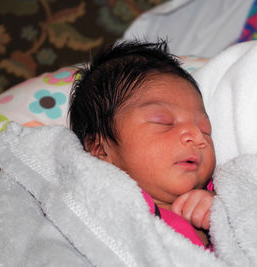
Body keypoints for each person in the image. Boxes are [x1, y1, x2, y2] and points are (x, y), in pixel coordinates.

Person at [68, 40, 216, 247]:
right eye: (163, 122)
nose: (197, 136)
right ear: (100, 149)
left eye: (205, 129)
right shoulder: (92, 211)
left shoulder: (220, 197)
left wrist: (221, 214)